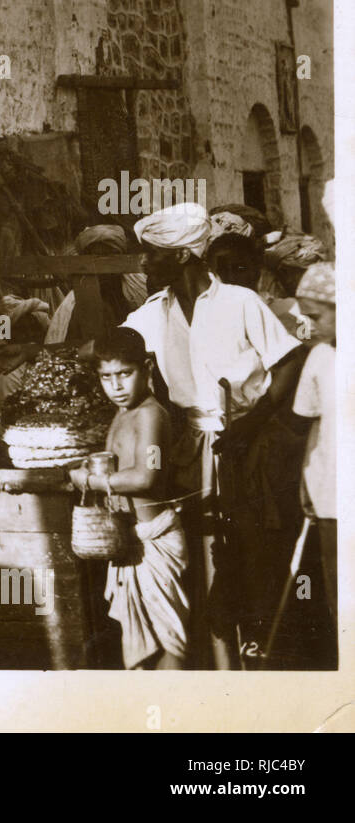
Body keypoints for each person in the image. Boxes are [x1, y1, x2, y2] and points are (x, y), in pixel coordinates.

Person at [120, 202, 306, 669]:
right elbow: (114, 346)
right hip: (190, 449)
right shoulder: (153, 312)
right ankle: (217, 663)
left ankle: (260, 656)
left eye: (152, 254)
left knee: (249, 550)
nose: (143, 263)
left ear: (181, 256)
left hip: (246, 445)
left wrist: (252, 420)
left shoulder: (240, 303)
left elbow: (287, 363)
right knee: (204, 555)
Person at [70, 328, 188, 670]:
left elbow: (147, 475)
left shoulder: (150, 415)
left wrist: (91, 481)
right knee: (140, 643)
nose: (116, 386)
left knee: (167, 642)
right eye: (106, 377)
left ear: (147, 368)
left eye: (125, 374)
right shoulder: (123, 413)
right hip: (129, 541)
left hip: (155, 540)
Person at [290, 262, 337, 631]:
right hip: (330, 494)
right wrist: (306, 479)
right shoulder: (320, 357)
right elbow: (315, 421)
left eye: (316, 316)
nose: (310, 325)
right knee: (337, 589)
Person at [43, 223, 139, 345]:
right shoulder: (74, 303)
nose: (102, 268)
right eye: (95, 259)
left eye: (108, 258)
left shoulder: (134, 289)